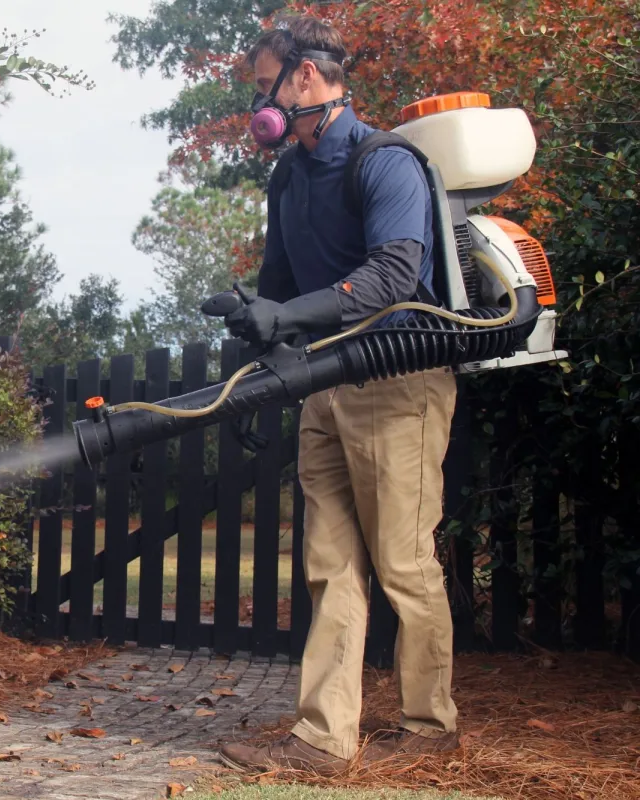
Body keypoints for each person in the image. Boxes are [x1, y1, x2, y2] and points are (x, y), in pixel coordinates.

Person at [216, 16, 462, 776]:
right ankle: (323, 738)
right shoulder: (288, 176)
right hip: (325, 386)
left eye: (265, 86)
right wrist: (254, 363)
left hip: (398, 384)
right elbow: (280, 292)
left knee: (401, 563)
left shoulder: (385, 161)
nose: (258, 103)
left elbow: (393, 276)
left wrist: (287, 316)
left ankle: (430, 728)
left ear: (309, 80)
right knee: (329, 564)